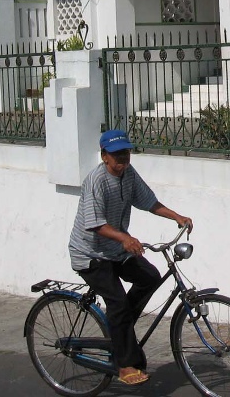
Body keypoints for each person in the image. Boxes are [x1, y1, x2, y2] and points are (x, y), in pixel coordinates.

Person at [68, 129, 193, 386]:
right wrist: (125, 238)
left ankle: (120, 330)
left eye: (126, 152)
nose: (122, 158)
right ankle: (124, 364)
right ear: (104, 156)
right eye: (116, 154)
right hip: (90, 254)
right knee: (119, 304)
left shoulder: (128, 174)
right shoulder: (96, 181)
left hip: (115, 251)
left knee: (150, 277)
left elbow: (148, 201)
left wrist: (177, 216)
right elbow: (94, 224)